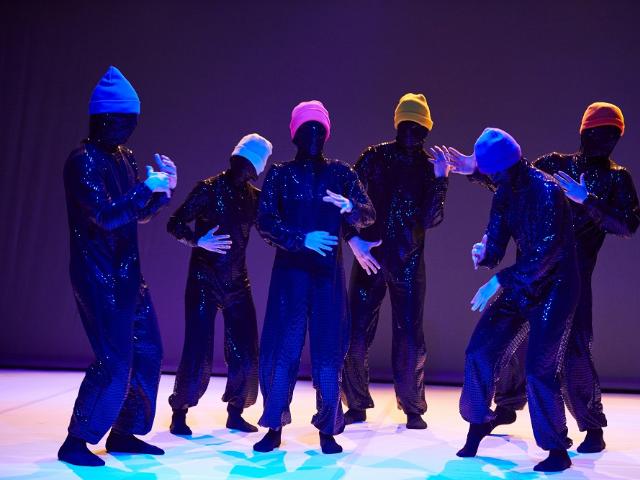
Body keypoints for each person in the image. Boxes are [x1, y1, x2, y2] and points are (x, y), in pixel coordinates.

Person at [449, 103, 640, 454]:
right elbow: (513, 183)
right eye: (600, 132)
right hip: (527, 273)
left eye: (614, 135)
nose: (607, 140)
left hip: (570, 275)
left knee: (570, 352)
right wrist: (474, 169)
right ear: (585, 132)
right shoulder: (553, 165)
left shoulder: (616, 177)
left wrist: (588, 200)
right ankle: (507, 405)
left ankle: (590, 425)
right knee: (511, 346)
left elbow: (628, 224)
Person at [58, 66, 177, 466]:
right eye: (125, 120)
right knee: (114, 361)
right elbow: (104, 216)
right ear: (104, 118)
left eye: (134, 120)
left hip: (128, 273)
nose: (131, 128)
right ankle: (77, 440)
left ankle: (125, 431)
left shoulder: (124, 157)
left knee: (149, 352)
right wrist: (146, 189)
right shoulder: (82, 161)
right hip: (98, 274)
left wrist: (161, 192)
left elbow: (136, 214)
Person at [453, 128, 579, 472]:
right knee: (479, 351)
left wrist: (498, 280)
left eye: (492, 171)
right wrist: (484, 254)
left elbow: (546, 253)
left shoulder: (547, 191)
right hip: (523, 281)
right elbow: (496, 242)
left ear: (508, 164)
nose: (490, 178)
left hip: (555, 286)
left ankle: (556, 449)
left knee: (538, 369)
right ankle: (478, 421)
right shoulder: (504, 192)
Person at [253, 101, 375, 454]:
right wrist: (300, 238)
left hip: (326, 276)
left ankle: (328, 426)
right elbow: (265, 220)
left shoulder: (341, 173)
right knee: (281, 350)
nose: (313, 136)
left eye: (319, 130)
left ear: (327, 134)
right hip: (289, 275)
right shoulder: (279, 173)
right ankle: (274, 424)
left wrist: (350, 208)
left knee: (328, 352)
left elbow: (368, 213)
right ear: (294, 134)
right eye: (306, 129)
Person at [341, 93, 449, 429]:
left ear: (426, 130)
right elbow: (347, 201)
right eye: (406, 125)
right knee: (356, 333)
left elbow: (432, 218)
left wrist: (441, 179)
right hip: (370, 258)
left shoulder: (428, 167)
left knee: (410, 337)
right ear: (397, 125)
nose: (411, 133)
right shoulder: (374, 157)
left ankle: (413, 406)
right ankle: (356, 402)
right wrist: (352, 238)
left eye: (418, 127)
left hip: (408, 261)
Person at [167, 134, 273, 435]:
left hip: (237, 282)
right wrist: (196, 240)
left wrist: (299, 239)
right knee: (197, 350)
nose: (245, 169)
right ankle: (180, 410)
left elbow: (270, 229)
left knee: (247, 351)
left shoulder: (254, 198)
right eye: (242, 162)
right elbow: (175, 222)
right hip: (204, 279)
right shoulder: (208, 189)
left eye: (250, 165)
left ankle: (236, 411)